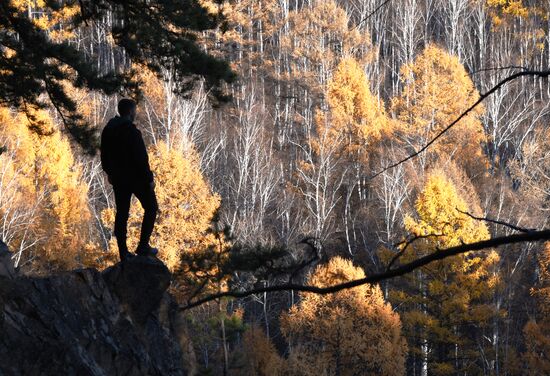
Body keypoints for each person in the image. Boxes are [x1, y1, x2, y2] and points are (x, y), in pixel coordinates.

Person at [100, 98, 158, 261]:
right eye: (135, 111)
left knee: (122, 214)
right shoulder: (132, 132)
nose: (135, 113)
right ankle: (143, 246)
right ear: (131, 112)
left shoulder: (109, 130)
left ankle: (123, 252)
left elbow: (104, 155)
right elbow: (141, 158)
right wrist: (149, 179)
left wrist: (109, 173)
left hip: (119, 179)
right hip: (137, 179)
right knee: (151, 207)